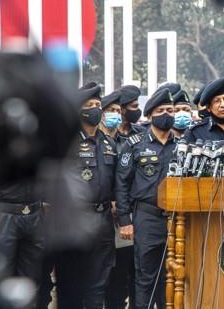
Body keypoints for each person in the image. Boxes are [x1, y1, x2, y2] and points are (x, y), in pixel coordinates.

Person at [54, 82, 116, 309]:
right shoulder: (67, 142)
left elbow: (116, 182)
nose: (96, 109)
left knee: (98, 283)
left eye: (98, 105)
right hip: (74, 220)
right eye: (89, 105)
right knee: (71, 283)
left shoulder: (109, 143)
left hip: (103, 219)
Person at [115, 88, 177, 309]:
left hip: (176, 220)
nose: (167, 114)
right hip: (146, 216)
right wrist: (125, 220)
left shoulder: (182, 145)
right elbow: (121, 183)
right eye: (161, 110)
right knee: (145, 277)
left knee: (171, 276)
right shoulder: (135, 144)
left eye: (170, 110)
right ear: (150, 116)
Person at [99, 90, 135, 309]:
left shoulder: (126, 142)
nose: (114, 115)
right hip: (97, 215)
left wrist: (121, 207)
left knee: (119, 277)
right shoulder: (92, 141)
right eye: (109, 111)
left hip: (121, 218)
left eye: (117, 111)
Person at [117, 85, 145, 149]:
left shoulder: (142, 132)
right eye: (134, 106)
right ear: (122, 110)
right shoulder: (110, 133)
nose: (138, 110)